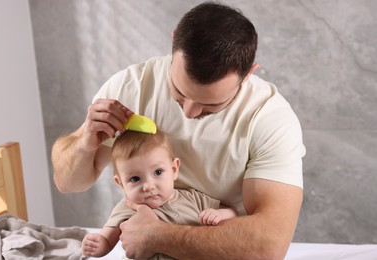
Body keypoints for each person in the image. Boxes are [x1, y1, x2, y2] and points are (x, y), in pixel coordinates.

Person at [52, 2, 305, 259]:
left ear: (248, 74)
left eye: (211, 104)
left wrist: (158, 235)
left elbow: (270, 245)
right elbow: (68, 183)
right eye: (180, 93)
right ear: (174, 42)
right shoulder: (130, 88)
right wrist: (86, 143)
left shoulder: (270, 118)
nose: (189, 113)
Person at [81, 129, 237, 258]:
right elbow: (107, 240)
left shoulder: (192, 198)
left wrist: (219, 214)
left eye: (158, 172)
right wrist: (98, 244)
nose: (148, 186)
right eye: (135, 179)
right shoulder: (127, 207)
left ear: (174, 169)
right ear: (121, 183)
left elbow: (233, 212)